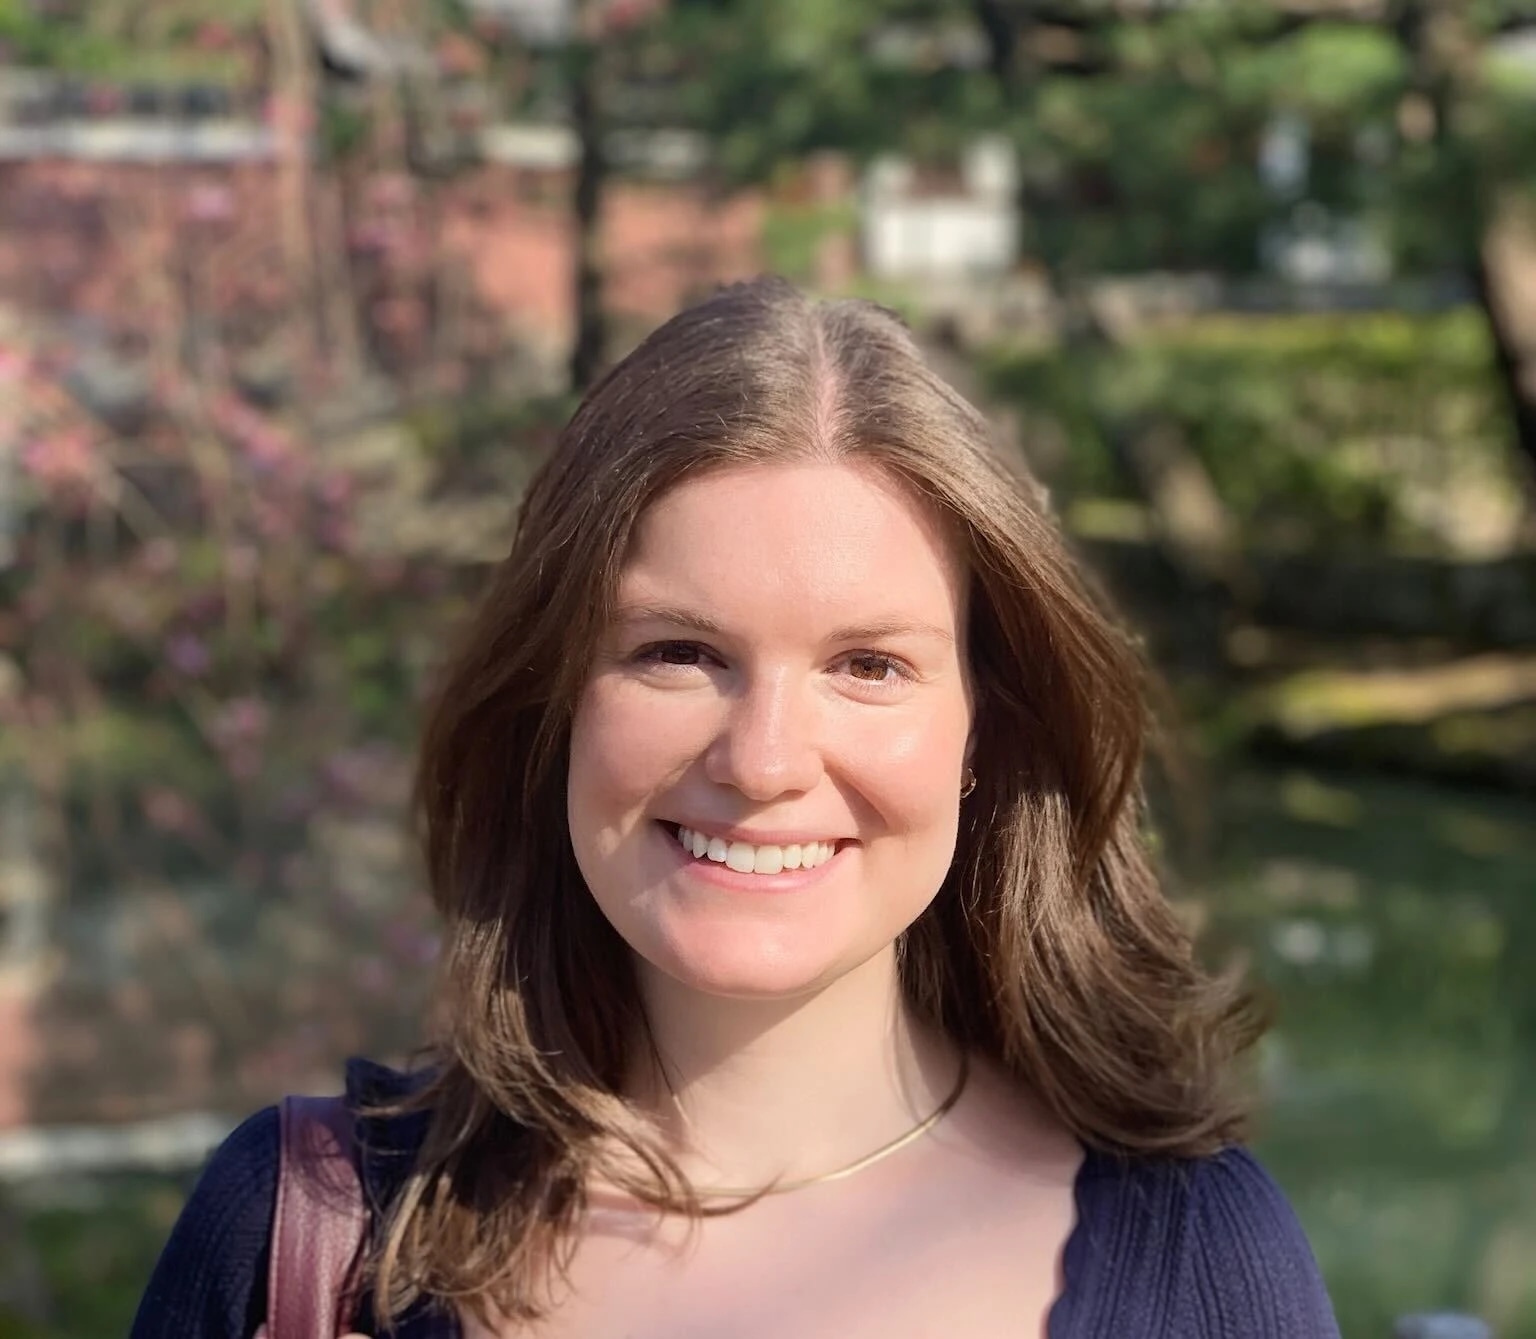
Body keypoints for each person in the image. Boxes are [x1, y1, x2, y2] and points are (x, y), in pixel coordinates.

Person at [131, 276, 1339, 1338]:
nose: (763, 761)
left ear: (987, 729)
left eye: (869, 665)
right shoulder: (301, 1238)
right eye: (678, 652)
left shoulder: (1201, 1259)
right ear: (555, 700)